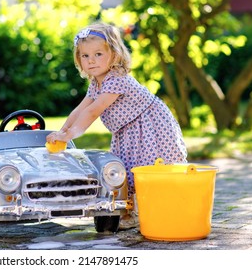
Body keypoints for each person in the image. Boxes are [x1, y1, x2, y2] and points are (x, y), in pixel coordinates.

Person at [46, 22, 188, 229]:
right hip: (127, 130)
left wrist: (70, 136)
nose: (91, 61)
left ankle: (161, 209)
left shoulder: (116, 80)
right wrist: (62, 130)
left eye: (98, 54)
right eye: (85, 56)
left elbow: (94, 111)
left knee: (148, 167)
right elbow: (80, 109)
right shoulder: (96, 82)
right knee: (125, 170)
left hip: (149, 124)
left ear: (114, 54)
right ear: (79, 60)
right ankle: (128, 214)